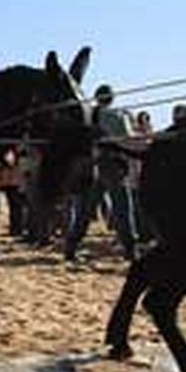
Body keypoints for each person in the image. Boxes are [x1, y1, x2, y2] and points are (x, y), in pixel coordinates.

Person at [64, 84, 138, 261]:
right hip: (113, 165)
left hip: (92, 165)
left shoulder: (88, 116)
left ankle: (71, 247)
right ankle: (130, 250)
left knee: (84, 210)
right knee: (122, 209)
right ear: (112, 98)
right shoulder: (118, 115)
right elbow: (127, 140)